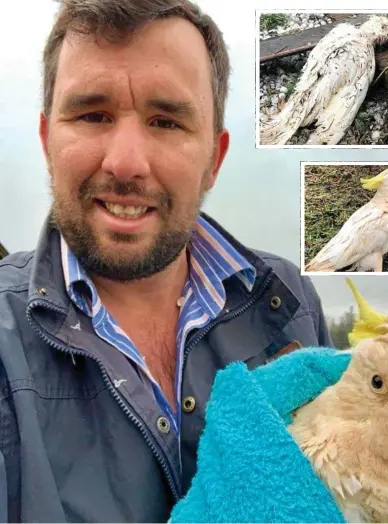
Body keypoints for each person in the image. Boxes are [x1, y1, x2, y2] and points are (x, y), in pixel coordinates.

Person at [0, 0, 332, 521]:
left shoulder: (291, 302)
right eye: (92, 114)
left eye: (166, 121)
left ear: (214, 160)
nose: (126, 162)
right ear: (47, 141)